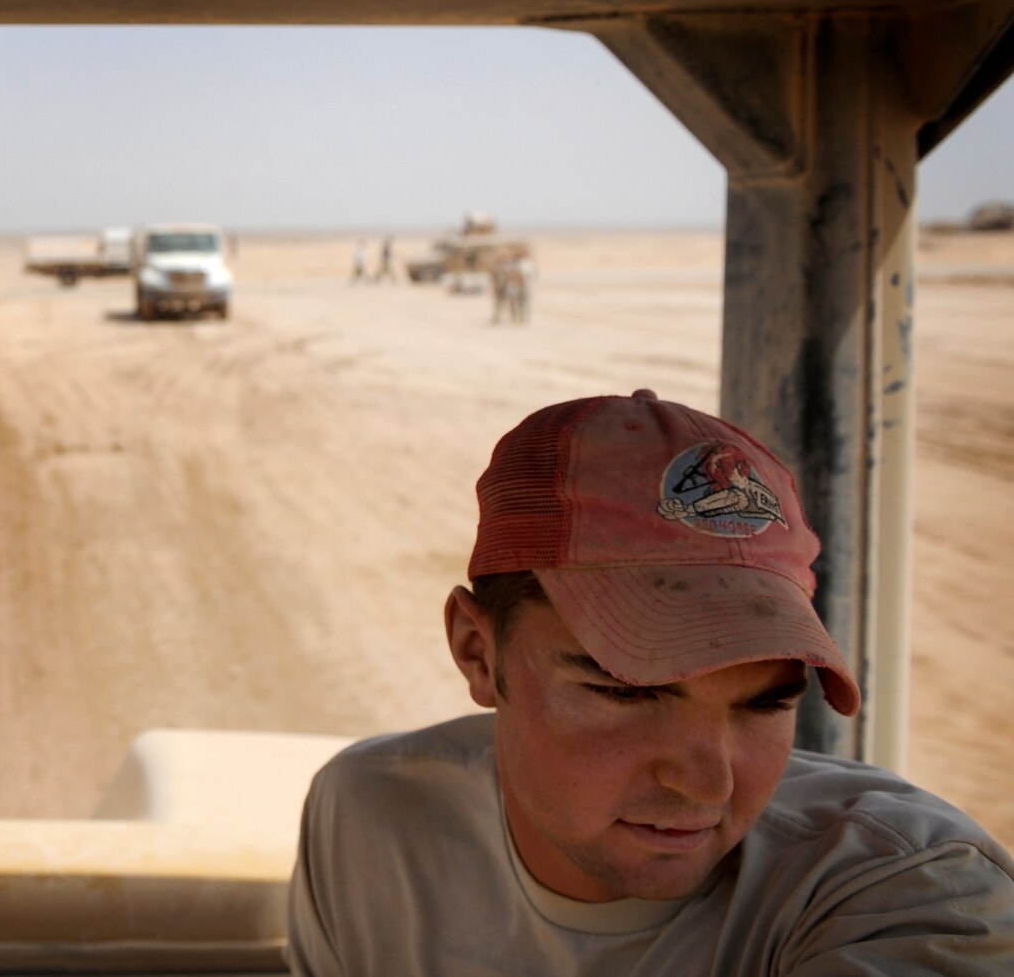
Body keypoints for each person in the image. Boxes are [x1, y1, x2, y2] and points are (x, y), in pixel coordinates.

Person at [289, 389, 1014, 975]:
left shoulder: (911, 887)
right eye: (629, 692)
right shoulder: (367, 821)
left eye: (765, 704)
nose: (707, 784)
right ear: (479, 652)